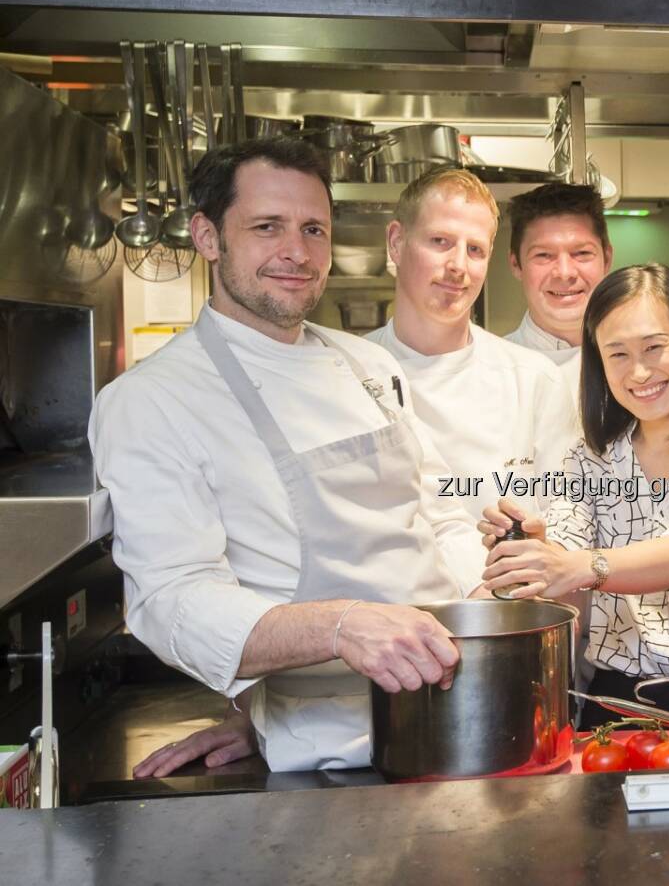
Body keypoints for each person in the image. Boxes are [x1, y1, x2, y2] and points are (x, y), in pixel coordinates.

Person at [90, 138, 488, 773]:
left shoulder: (368, 365)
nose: (297, 254)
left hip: (463, 708)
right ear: (207, 236)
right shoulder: (150, 400)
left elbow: (435, 516)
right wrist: (338, 626)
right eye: (266, 227)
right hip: (328, 750)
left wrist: (493, 590)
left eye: (313, 230)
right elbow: (173, 599)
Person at [478, 264, 669, 727]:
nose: (639, 372)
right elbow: (566, 546)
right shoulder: (591, 458)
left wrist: (579, 566)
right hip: (611, 703)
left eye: (655, 347)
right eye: (617, 354)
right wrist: (537, 550)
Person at [366, 168, 577, 519]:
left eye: (475, 249)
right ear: (396, 242)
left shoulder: (534, 380)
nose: (458, 265)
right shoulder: (351, 373)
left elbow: (566, 519)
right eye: (440, 242)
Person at [503, 182, 614, 401]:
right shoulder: (491, 369)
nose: (564, 273)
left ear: (607, 259)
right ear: (516, 265)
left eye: (582, 253)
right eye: (544, 255)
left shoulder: (639, 367)